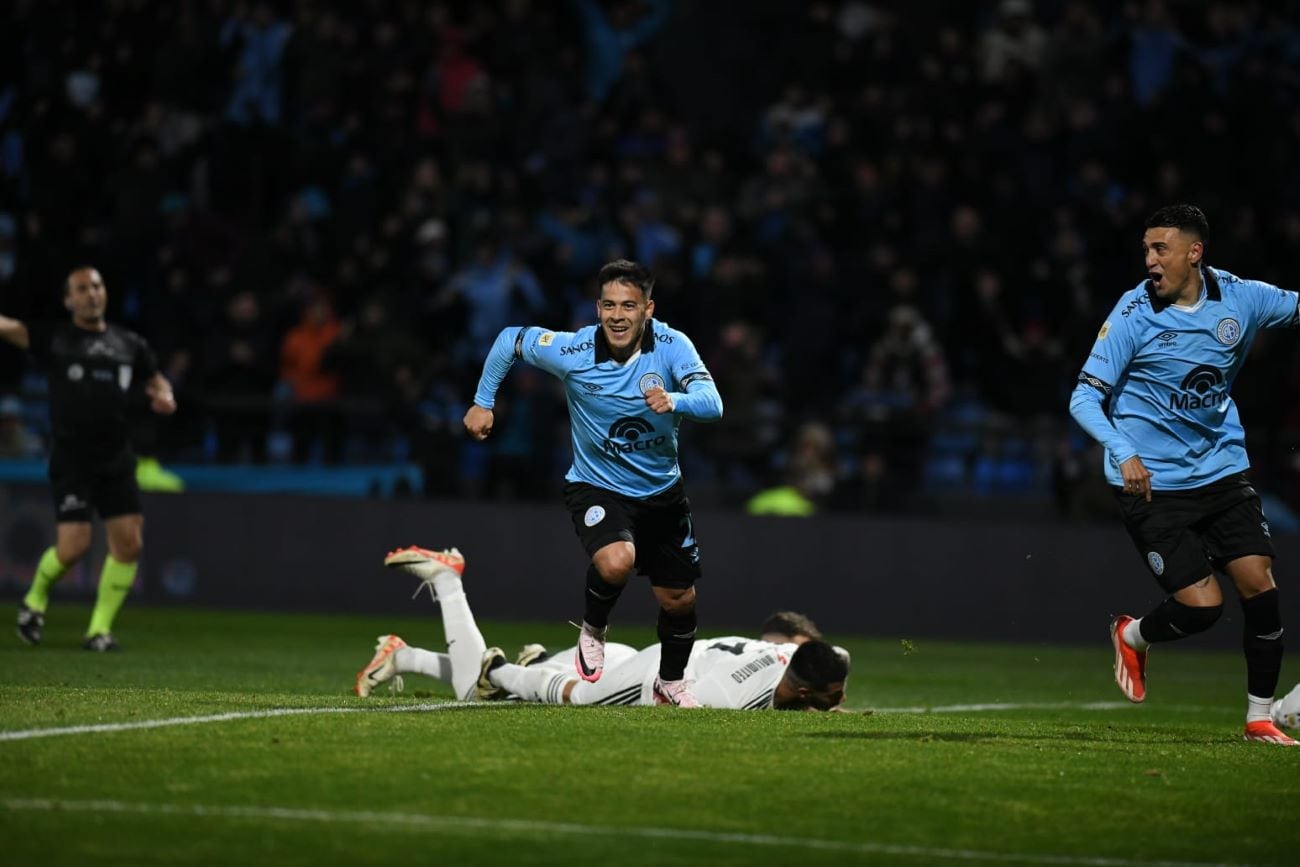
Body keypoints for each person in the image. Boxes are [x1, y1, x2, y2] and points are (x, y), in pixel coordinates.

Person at [1069, 204, 1297, 746]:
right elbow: (1084, 396)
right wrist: (1123, 451)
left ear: (1194, 252)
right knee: (1202, 609)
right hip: (1152, 482)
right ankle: (1132, 634)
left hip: (1221, 470)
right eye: (1146, 249)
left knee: (1258, 584)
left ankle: (1258, 718)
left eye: (1160, 249)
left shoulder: (1242, 298)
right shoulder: (1132, 312)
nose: (1149, 260)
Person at [463, 259, 723, 707]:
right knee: (617, 561)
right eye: (608, 305)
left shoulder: (672, 345)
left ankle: (671, 683)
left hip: (662, 493)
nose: (617, 315)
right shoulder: (573, 350)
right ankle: (594, 628)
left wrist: (674, 398)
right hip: (596, 485)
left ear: (648, 309)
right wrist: (482, 402)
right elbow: (511, 340)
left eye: (628, 306)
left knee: (678, 597)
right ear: (597, 308)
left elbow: (713, 402)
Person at [358, 545, 848, 712]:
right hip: (653, 672)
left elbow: (823, 660)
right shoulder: (733, 694)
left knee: (513, 690)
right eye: (830, 696)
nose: (838, 702)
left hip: (636, 655)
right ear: (804, 687)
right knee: (481, 687)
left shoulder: (789, 655)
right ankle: (457, 598)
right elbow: (681, 703)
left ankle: (404, 657)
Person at [0, 266, 177, 650]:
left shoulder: (129, 344)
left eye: (96, 286)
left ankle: (98, 630)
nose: (91, 294)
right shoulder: (57, 339)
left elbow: (155, 377)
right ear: (68, 300)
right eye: (81, 289)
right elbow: (10, 327)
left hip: (116, 456)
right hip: (72, 458)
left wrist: (164, 394)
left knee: (129, 545)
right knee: (74, 547)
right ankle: (34, 601)